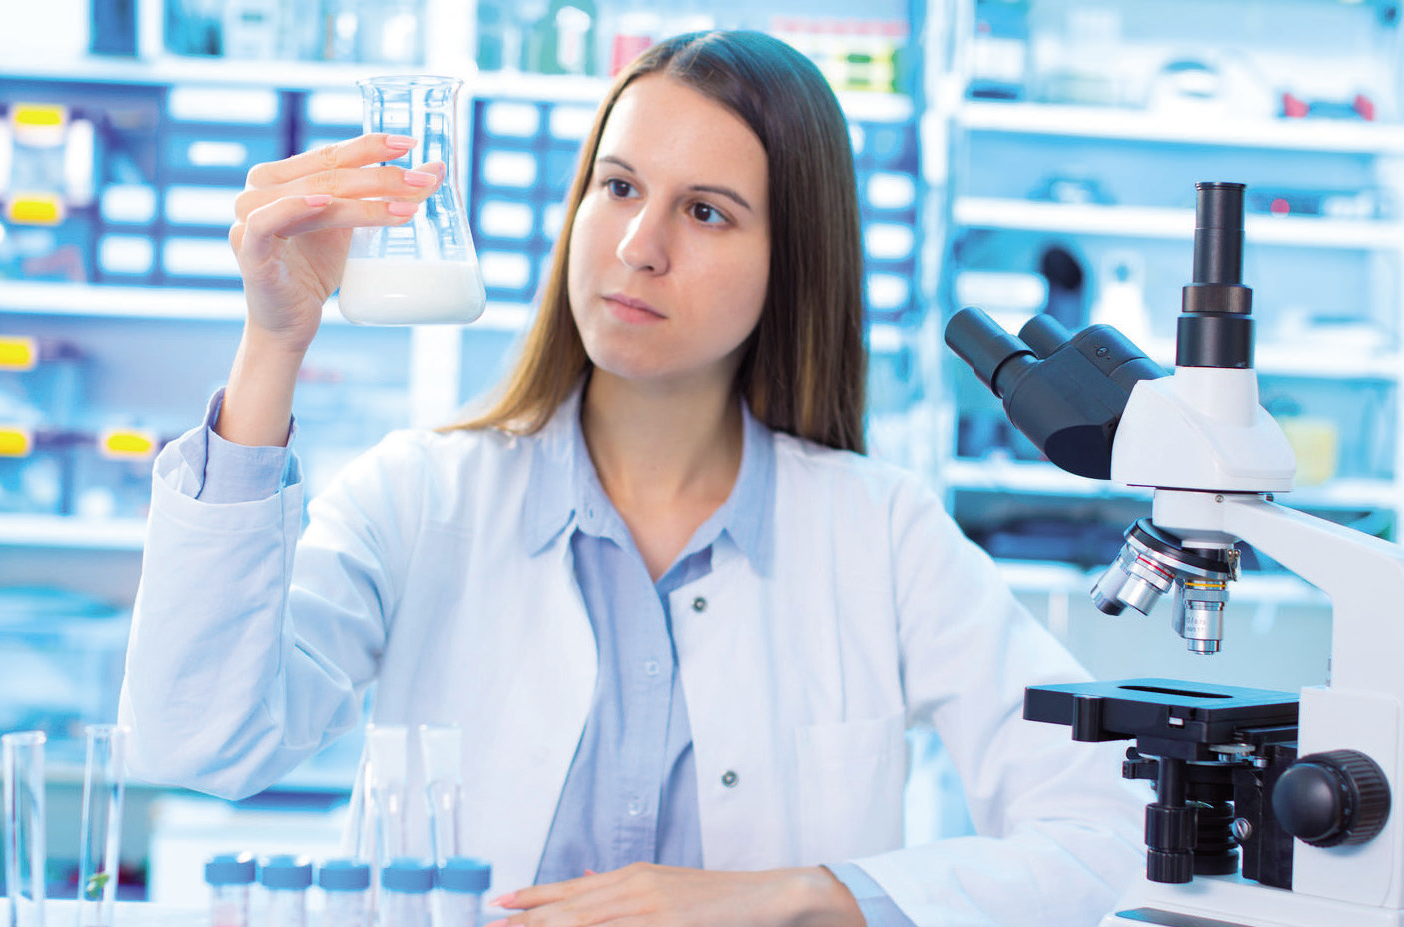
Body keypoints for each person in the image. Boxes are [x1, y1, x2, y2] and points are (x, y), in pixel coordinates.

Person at [119, 30, 1144, 927]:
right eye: (617, 188)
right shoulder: (424, 498)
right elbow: (199, 741)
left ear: (792, 265)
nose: (636, 247)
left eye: (705, 212)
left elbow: (1110, 833)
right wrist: (273, 344)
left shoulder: (879, 534)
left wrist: (795, 897)